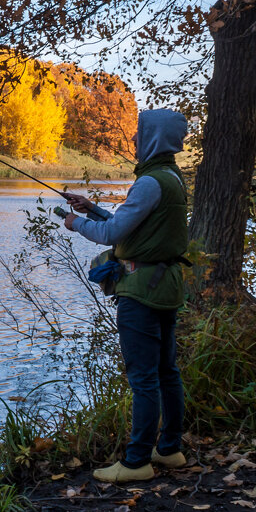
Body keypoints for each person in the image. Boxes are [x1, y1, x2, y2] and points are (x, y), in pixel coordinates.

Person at [63, 108, 190, 484]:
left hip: (141, 292)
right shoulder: (169, 178)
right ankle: (169, 450)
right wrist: (93, 208)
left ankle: (136, 462)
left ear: (153, 139)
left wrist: (77, 223)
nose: (133, 140)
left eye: (139, 134)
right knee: (167, 372)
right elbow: (134, 226)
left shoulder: (150, 182)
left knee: (144, 378)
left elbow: (111, 235)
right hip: (164, 287)